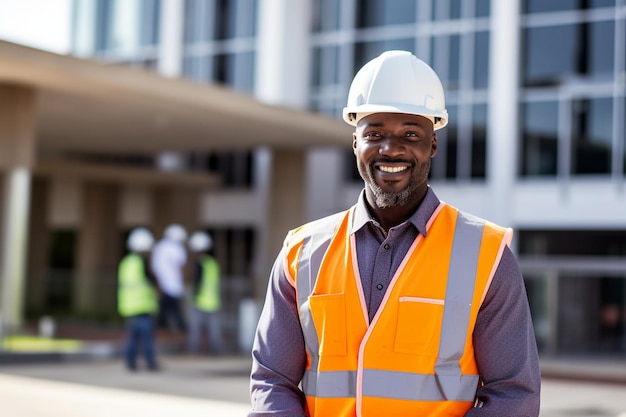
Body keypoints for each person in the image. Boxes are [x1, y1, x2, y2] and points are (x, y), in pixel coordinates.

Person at [249, 50, 541, 416]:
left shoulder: (486, 254)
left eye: (410, 133)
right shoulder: (302, 252)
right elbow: (271, 379)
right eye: (375, 133)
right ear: (355, 143)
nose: (391, 148)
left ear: (432, 144)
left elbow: (515, 394)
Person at [117, 227, 159, 371]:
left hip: (129, 307)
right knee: (147, 338)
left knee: (131, 338)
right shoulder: (142, 262)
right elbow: (151, 280)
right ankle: (150, 362)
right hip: (143, 306)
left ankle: (130, 363)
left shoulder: (125, 262)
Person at [186, 230, 225, 355]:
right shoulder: (212, 263)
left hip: (200, 300)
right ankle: (217, 351)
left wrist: (194, 294)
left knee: (195, 330)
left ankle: (194, 351)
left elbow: (197, 281)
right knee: (214, 330)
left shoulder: (199, 263)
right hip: (213, 301)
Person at [151, 223, 188, 333]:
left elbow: (154, 266)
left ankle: (162, 331)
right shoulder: (178, 248)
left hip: (161, 284)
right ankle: (180, 333)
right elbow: (182, 268)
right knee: (175, 312)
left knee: (163, 312)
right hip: (174, 285)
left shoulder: (159, 247)